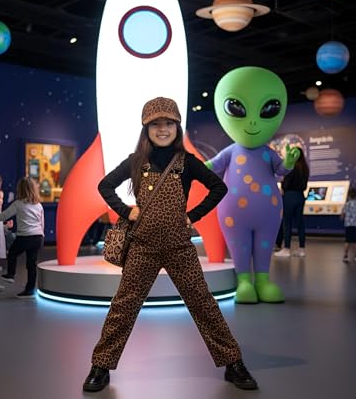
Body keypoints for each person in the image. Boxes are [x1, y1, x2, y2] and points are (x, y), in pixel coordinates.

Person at [83, 97, 258, 392]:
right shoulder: (136, 161)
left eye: (168, 123)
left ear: (177, 127)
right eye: (155, 124)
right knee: (123, 306)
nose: (162, 129)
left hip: (179, 246)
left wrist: (193, 216)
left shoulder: (187, 162)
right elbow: (105, 185)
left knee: (203, 304)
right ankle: (100, 366)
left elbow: (219, 187)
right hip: (142, 246)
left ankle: (233, 363)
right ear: (146, 128)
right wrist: (126, 211)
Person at [0, 177, 44, 298]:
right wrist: (42, 235)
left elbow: (4, 216)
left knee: (12, 253)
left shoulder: (18, 204)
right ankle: (30, 290)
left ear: (20, 190)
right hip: (38, 237)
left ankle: (11, 275)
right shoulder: (38, 205)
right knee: (31, 264)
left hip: (25, 237)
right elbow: (42, 222)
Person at [275, 147, 309, 258]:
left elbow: (286, 185)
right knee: (300, 223)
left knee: (287, 223)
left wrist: (283, 183)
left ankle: (287, 248)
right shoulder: (305, 168)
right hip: (300, 196)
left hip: (289, 196)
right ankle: (302, 249)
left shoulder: (291, 167)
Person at [340, 187, 356, 262]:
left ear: (348, 196)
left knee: (347, 240)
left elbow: (342, 214)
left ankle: (345, 255)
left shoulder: (346, 204)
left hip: (348, 225)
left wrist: (342, 219)